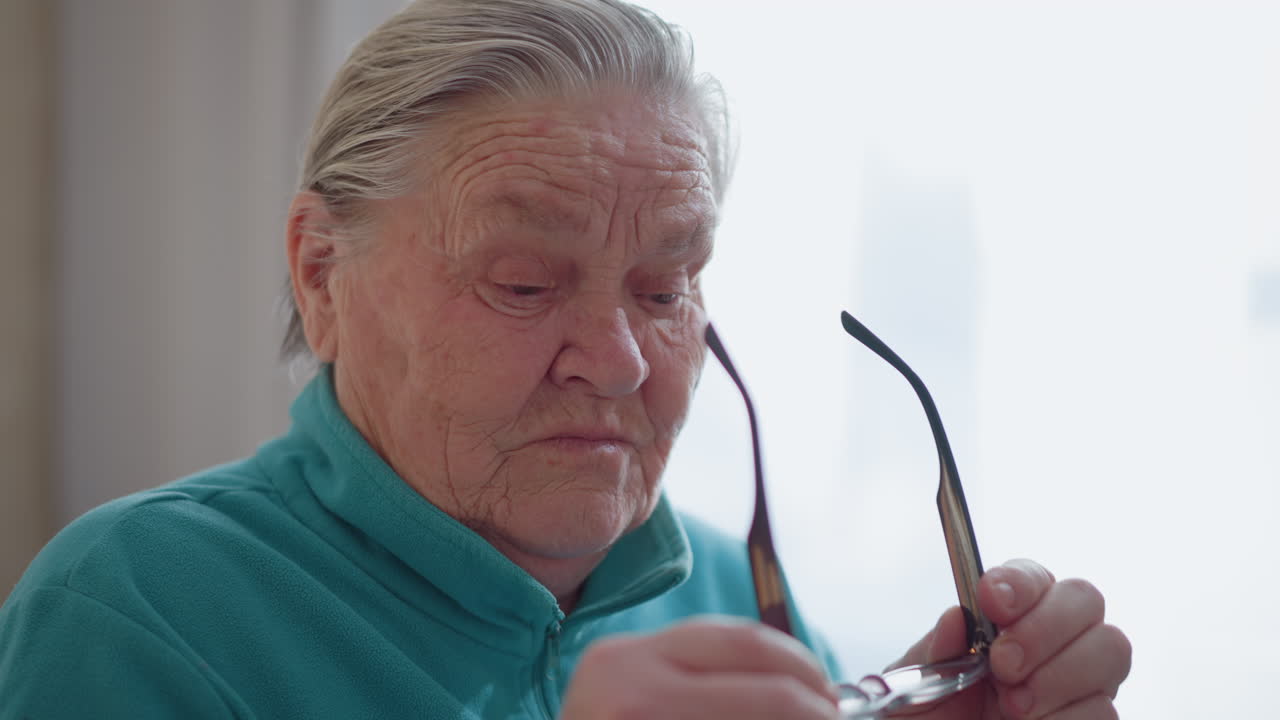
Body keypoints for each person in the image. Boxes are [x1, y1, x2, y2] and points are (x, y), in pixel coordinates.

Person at [0, 0, 1130, 717]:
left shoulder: (734, 603)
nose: (622, 362)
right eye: (524, 285)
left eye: (664, 287)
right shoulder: (137, 611)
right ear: (319, 272)